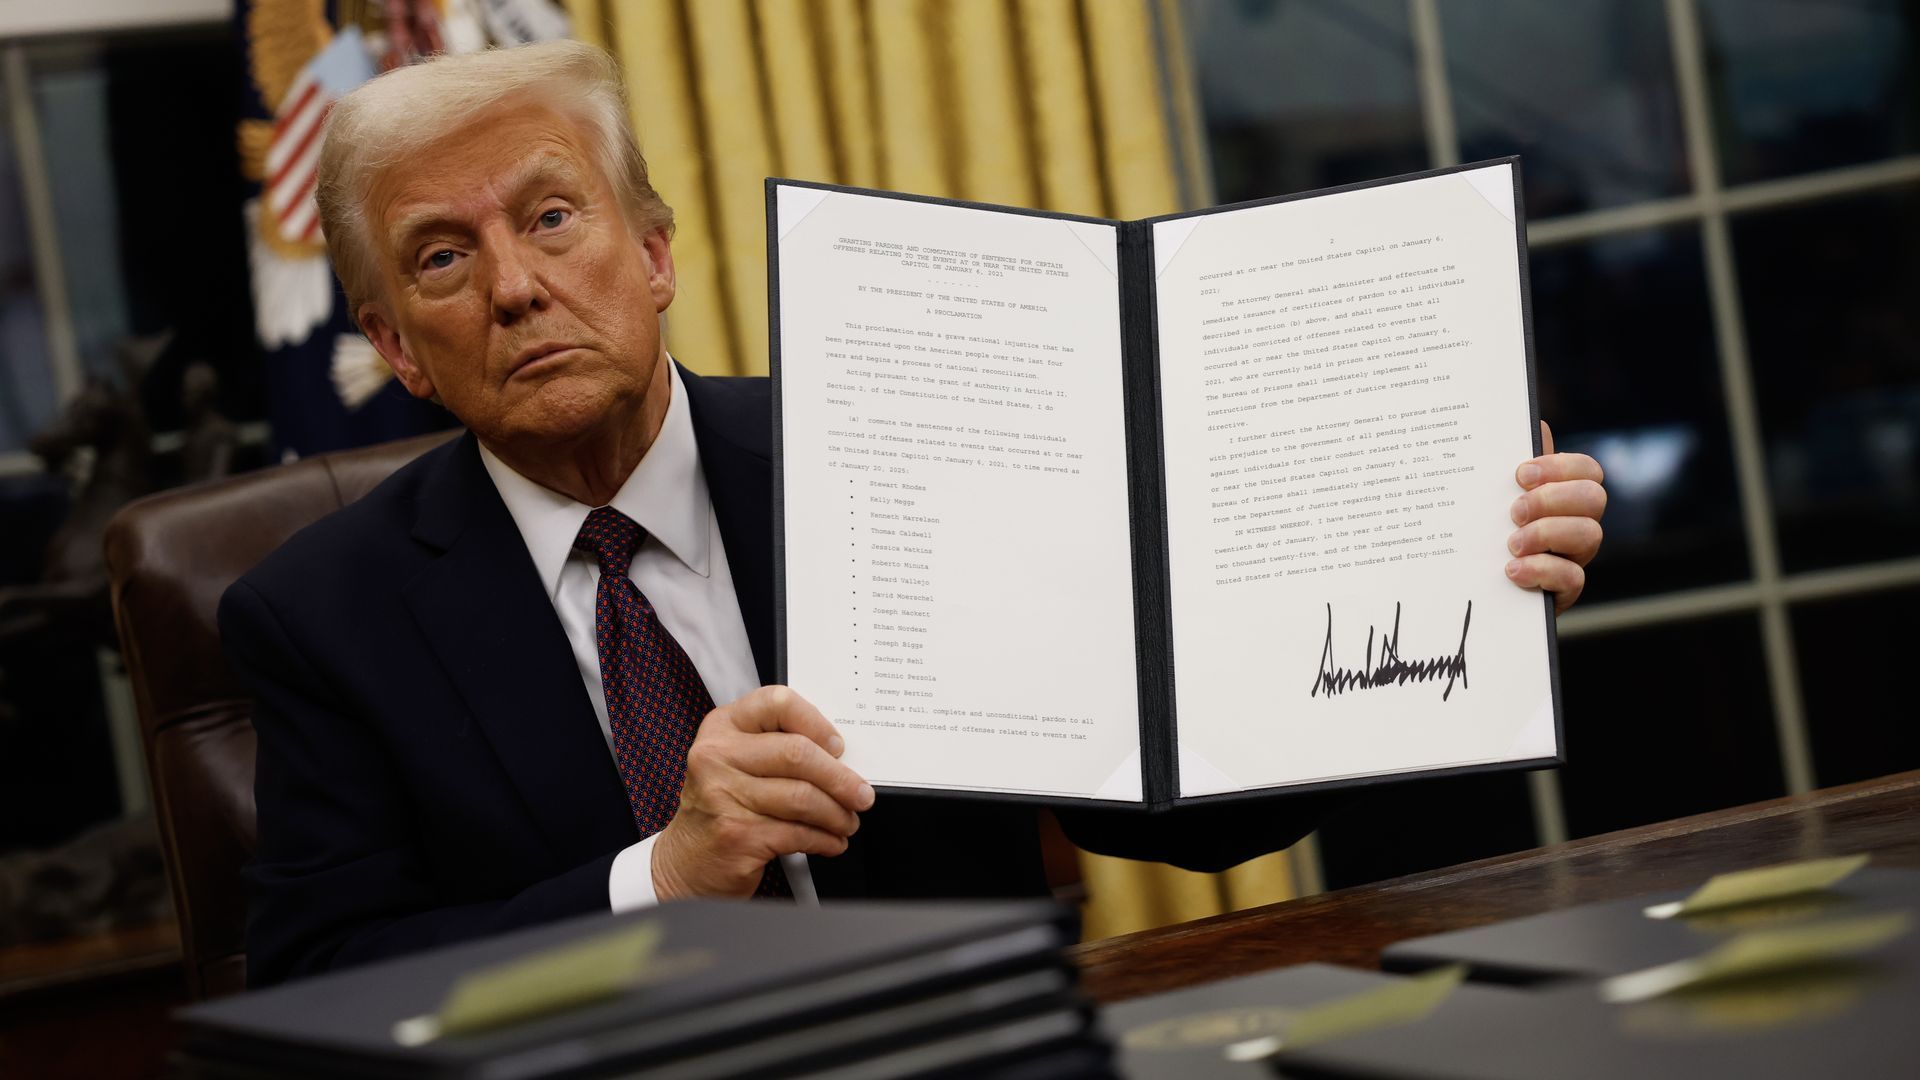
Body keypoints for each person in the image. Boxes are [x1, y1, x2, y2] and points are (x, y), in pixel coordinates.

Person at [222, 41, 1609, 987]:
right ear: (398, 346)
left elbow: (1167, 808)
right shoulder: (323, 616)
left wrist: (1457, 600)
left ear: (652, 257)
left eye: (552, 219)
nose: (515, 287)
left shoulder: (899, 445)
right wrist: (667, 876)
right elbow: (322, 984)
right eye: (444, 258)